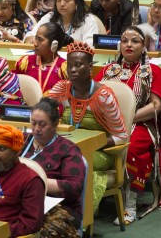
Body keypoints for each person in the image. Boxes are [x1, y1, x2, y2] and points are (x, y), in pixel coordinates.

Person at [95, 26, 161, 225]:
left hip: (141, 125)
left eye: (135, 41)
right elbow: (93, 98)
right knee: (91, 144)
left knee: (133, 146)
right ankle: (94, 195)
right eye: (125, 40)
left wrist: (128, 119)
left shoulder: (153, 71)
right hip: (109, 124)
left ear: (144, 46)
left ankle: (130, 205)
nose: (128, 44)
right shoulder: (108, 70)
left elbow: (157, 105)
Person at [48, 41, 128, 212]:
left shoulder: (103, 96)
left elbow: (121, 136)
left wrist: (89, 144)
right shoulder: (62, 88)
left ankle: (78, 216)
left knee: (75, 163)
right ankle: (50, 212)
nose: (73, 70)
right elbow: (43, 111)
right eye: (70, 66)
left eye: (78, 65)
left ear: (90, 66)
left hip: (99, 152)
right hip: (68, 148)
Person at [21, 97, 85, 236]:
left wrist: (34, 182)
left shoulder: (68, 149)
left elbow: (73, 187)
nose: (36, 129)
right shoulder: (21, 141)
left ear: (55, 124)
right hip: (23, 202)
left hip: (60, 208)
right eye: (33, 123)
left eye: (43, 124)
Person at [24, 0, 98, 46]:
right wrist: (34, 40)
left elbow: (90, 46)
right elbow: (28, 37)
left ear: (77, 3)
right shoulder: (50, 17)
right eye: (58, 0)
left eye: (67, 0)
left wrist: (70, 41)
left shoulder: (88, 20)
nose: (62, 4)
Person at [13, 22, 71, 95]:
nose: (35, 43)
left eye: (40, 39)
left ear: (54, 44)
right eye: (36, 38)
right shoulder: (26, 62)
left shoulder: (64, 68)